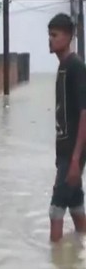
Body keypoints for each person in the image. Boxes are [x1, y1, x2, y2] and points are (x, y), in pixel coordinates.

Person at [48, 13, 86, 242]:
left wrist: (75, 160)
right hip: (65, 152)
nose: (50, 40)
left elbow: (85, 113)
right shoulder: (63, 68)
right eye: (49, 35)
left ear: (68, 36)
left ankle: (56, 264)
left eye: (54, 35)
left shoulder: (76, 67)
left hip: (73, 152)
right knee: (76, 205)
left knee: (55, 211)